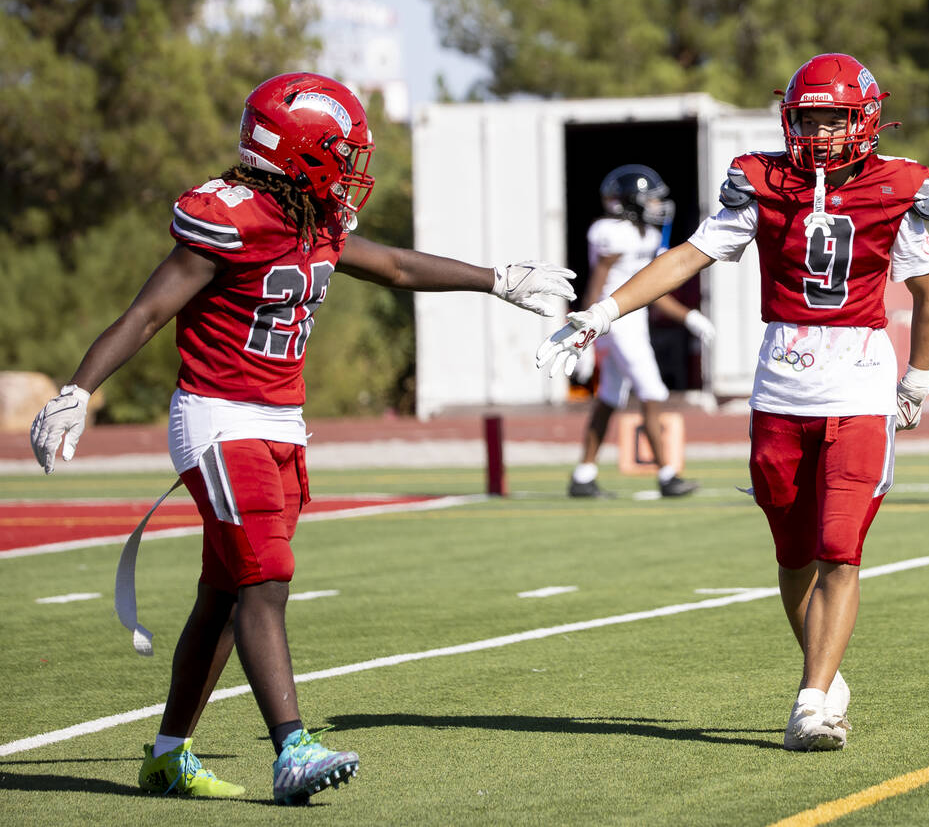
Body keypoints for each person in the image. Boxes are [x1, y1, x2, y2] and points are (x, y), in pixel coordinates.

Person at [29, 72, 575, 804]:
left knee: (224, 592)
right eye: (342, 155)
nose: (352, 172)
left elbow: (397, 265)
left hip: (280, 420)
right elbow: (146, 314)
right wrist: (79, 388)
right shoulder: (233, 217)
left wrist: (497, 278)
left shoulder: (315, 218)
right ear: (301, 154)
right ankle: (293, 748)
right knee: (267, 577)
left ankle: (166, 755)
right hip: (221, 418)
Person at [538, 53, 929, 751]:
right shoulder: (763, 183)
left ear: (864, 123)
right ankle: (822, 670)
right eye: (807, 118)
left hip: (859, 379)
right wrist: (600, 313)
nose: (817, 133)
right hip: (782, 383)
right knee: (792, 555)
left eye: (832, 119)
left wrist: (915, 379)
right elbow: (687, 256)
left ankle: (811, 701)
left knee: (839, 549)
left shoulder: (895, 187)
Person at [567, 164, 715, 499]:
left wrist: (688, 316)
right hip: (613, 321)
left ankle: (583, 475)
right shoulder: (611, 232)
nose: (655, 205)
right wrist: (585, 337)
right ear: (631, 201)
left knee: (608, 398)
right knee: (653, 391)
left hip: (631, 320)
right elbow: (597, 285)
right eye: (649, 199)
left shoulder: (647, 236)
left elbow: (650, 290)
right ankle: (667, 475)